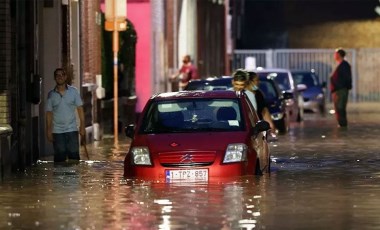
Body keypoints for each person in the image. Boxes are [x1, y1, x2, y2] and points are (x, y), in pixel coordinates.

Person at [46, 68, 86, 162]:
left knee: (74, 157)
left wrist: (82, 126)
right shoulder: (51, 95)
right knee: (59, 158)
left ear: (65, 77)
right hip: (57, 131)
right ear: (55, 78)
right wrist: (48, 130)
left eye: (62, 75)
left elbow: (80, 109)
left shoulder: (73, 92)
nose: (60, 77)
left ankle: (73, 177)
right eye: (57, 75)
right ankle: (60, 177)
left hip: (72, 129)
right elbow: (49, 113)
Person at [330, 48, 352, 128]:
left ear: (339, 55)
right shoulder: (341, 65)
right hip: (338, 90)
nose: (334, 56)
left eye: (335, 54)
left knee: (340, 108)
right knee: (339, 108)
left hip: (340, 91)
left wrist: (338, 89)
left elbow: (345, 79)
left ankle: (343, 125)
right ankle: (342, 124)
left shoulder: (344, 65)